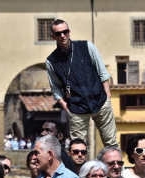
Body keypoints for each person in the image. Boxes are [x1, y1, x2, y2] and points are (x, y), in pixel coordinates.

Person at [46, 19, 118, 147]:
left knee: (111, 143)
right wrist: (65, 106)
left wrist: (108, 96)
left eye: (65, 32)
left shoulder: (87, 46)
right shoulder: (51, 61)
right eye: (58, 33)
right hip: (76, 108)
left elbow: (102, 71)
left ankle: (115, 166)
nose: (62, 35)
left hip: (100, 101)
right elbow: (55, 88)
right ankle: (80, 168)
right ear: (53, 36)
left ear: (69, 32)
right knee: (77, 148)